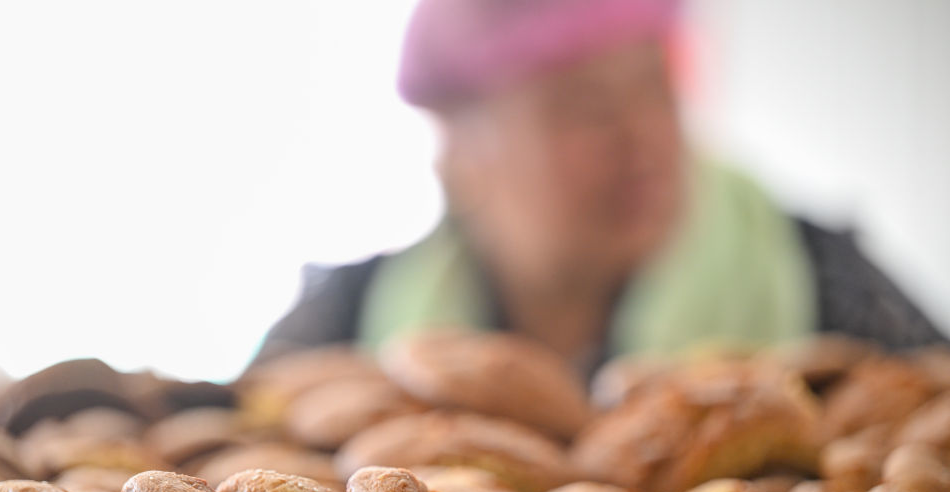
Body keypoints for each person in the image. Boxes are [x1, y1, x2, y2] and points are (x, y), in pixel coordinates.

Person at [251, 0, 945, 377]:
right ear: (459, 152)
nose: (642, 138)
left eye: (657, 87)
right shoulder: (347, 322)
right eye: (584, 105)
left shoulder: (820, 279)